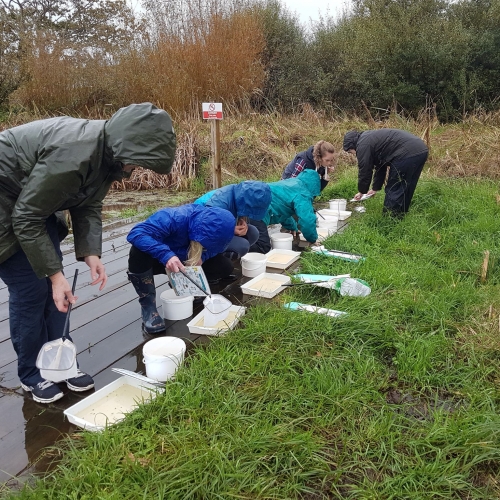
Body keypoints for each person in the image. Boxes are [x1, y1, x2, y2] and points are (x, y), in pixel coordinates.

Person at [0, 102, 176, 403]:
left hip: (32, 206)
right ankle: (32, 374)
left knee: (57, 294)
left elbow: (88, 205)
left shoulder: (108, 156)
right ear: (125, 147)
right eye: (138, 163)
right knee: (32, 291)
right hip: (7, 206)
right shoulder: (73, 155)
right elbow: (26, 218)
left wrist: (91, 253)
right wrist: (55, 275)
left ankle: (59, 363)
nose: (136, 170)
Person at [126, 204, 236, 335]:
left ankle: (181, 286)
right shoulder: (173, 217)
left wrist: (203, 257)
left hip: (186, 261)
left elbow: (215, 248)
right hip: (160, 259)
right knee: (138, 251)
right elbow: (136, 233)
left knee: (225, 266)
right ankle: (148, 307)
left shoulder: (219, 225)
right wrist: (166, 255)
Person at [343, 129, 429, 216]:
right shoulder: (369, 139)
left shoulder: (362, 145)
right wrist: (375, 188)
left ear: (352, 145)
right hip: (421, 150)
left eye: (350, 152)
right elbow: (380, 166)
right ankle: (401, 214)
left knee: (394, 188)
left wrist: (362, 191)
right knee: (406, 185)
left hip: (406, 153)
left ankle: (390, 219)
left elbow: (365, 170)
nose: (353, 154)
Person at [194, 181, 271, 261]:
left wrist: (241, 220)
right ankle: (210, 258)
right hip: (201, 235)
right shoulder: (219, 204)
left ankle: (223, 254)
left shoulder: (240, 195)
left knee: (253, 232)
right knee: (242, 246)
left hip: (219, 226)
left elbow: (235, 214)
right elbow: (207, 230)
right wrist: (231, 230)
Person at [249, 169, 320, 254]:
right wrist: (312, 239)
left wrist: (293, 227)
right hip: (256, 209)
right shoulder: (303, 194)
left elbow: (283, 210)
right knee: (263, 247)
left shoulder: (292, 183)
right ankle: (238, 252)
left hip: (249, 199)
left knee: (246, 232)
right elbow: (307, 220)